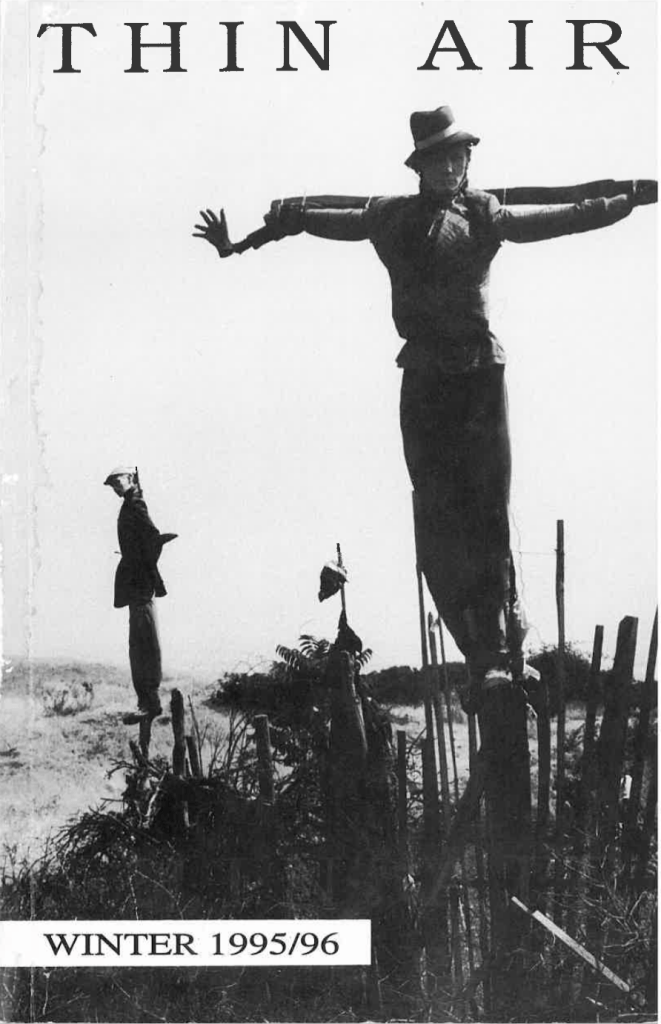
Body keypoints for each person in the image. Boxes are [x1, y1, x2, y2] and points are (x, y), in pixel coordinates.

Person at [193, 105, 656, 707]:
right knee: (437, 517)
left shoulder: (484, 213)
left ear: (468, 160)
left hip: (480, 376)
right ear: (419, 167)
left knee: (488, 513)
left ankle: (503, 651)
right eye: (439, 159)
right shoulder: (389, 217)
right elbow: (308, 219)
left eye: (459, 156)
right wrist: (238, 245)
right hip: (424, 379)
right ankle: (480, 656)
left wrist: (623, 202)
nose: (451, 167)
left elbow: (559, 218)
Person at [104, 466, 176, 723]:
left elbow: (153, 539)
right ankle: (146, 702)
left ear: (130, 478)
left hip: (141, 585)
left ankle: (150, 703)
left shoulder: (135, 504)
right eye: (112, 484)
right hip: (136, 586)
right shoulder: (131, 503)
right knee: (138, 643)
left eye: (118, 481)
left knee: (144, 643)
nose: (115, 487)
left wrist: (141, 567)